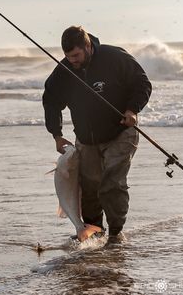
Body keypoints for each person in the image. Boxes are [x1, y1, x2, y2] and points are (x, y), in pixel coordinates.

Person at [43, 26, 152, 242]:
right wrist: (56, 134)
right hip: (86, 139)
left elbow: (142, 83)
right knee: (90, 188)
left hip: (121, 133)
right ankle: (94, 232)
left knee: (111, 183)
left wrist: (132, 110)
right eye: (67, 56)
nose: (72, 60)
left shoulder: (114, 57)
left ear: (88, 46)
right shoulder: (65, 71)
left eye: (76, 55)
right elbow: (51, 101)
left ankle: (115, 233)